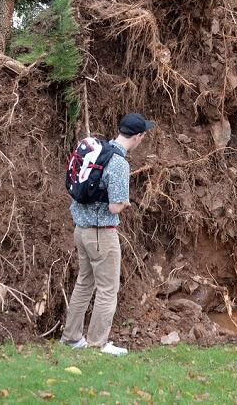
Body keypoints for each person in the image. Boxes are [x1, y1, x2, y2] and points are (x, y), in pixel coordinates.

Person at [59, 113, 155, 355]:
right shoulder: (119, 164)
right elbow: (114, 206)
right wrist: (125, 203)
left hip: (81, 230)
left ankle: (71, 338)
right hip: (102, 234)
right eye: (143, 135)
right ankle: (97, 343)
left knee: (84, 283)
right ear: (138, 137)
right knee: (107, 289)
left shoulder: (98, 150)